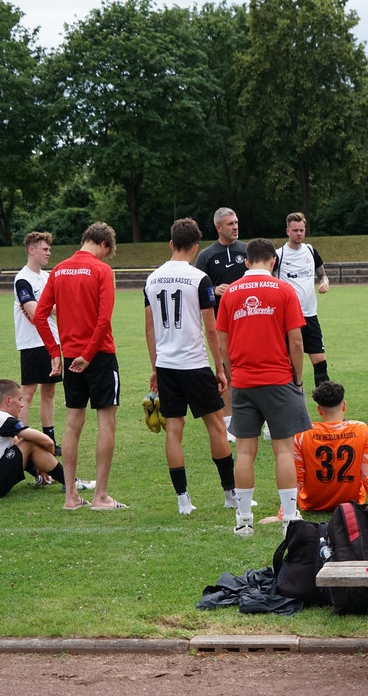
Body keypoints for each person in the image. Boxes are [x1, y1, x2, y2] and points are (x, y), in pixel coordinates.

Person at [216, 238, 312, 537]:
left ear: (246, 261)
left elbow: (222, 342)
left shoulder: (230, 292)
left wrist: (234, 374)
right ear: (273, 261)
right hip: (279, 379)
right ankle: (290, 520)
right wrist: (297, 378)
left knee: (245, 452)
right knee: (283, 451)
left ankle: (243, 520)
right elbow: (296, 341)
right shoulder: (284, 290)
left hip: (243, 381)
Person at [144, 218, 240, 515]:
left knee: (174, 430)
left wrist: (155, 367)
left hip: (166, 365)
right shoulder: (199, 278)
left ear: (171, 243)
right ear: (196, 246)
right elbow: (211, 330)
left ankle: (183, 500)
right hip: (194, 364)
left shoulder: (151, 279)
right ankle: (230, 495)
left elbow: (149, 328)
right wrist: (220, 369)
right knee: (216, 427)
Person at [33, 222, 126, 511]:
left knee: (73, 424)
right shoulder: (101, 270)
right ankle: (101, 497)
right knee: (106, 423)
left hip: (70, 357)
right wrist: (88, 354)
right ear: (104, 244)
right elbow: (104, 319)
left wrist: (55, 352)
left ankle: (71, 497)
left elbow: (39, 315)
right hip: (99, 356)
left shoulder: (59, 270)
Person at [262, 381, 368, 524]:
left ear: (319, 410)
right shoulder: (361, 430)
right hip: (350, 503)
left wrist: (283, 514)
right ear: (344, 405)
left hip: (313, 503)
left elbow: (297, 477)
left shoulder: (303, 434)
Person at [0, 379, 78, 499]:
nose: (22, 405)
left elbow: (16, 444)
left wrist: (40, 465)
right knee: (29, 442)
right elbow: (48, 442)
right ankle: (71, 483)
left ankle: (41, 475)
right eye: (20, 399)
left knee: (16, 441)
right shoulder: (3, 420)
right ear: (9, 400)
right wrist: (47, 460)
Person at [195, 207, 248, 438]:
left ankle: (260, 419)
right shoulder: (206, 255)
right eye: (230, 224)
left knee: (251, 368)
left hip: (248, 320)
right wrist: (214, 290)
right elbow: (196, 288)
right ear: (218, 227)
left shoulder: (247, 250)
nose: (235, 227)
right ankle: (228, 424)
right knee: (225, 370)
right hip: (221, 324)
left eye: (236, 222)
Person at [13, 231, 62, 457]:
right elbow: (34, 312)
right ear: (31, 250)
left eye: (49, 249)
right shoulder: (22, 279)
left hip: (52, 340)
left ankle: (49, 439)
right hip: (32, 342)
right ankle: (24, 440)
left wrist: (48, 307)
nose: (49, 253)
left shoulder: (48, 277)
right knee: (28, 392)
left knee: (49, 391)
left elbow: (53, 307)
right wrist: (51, 307)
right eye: (45, 249)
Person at [274, 212, 331, 387]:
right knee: (290, 364)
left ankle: (325, 401)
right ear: (288, 231)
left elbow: (322, 274)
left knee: (320, 361)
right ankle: (293, 397)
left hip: (310, 315)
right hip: (288, 318)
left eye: (302, 230)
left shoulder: (310, 251)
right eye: (295, 230)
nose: (299, 233)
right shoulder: (279, 255)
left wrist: (325, 282)